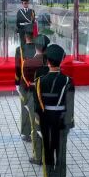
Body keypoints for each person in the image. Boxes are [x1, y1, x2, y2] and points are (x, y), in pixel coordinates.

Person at [34, 44, 75, 177]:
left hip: (46, 122)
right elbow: (70, 105)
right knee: (61, 153)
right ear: (62, 60)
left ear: (47, 61)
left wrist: (39, 125)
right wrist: (69, 124)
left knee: (48, 153)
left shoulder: (39, 81)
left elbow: (38, 108)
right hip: (62, 121)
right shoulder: (67, 81)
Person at [26, 34, 50, 165]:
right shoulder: (52, 62)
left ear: (36, 46)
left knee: (35, 128)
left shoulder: (29, 63)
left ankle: (37, 157)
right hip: (50, 101)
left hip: (35, 100)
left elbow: (27, 83)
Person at [15, 32, 37, 141]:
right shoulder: (39, 48)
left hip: (24, 83)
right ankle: (36, 130)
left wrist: (17, 81)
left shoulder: (20, 49)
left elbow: (18, 67)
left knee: (24, 107)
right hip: (37, 83)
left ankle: (26, 133)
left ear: (25, 37)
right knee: (36, 107)